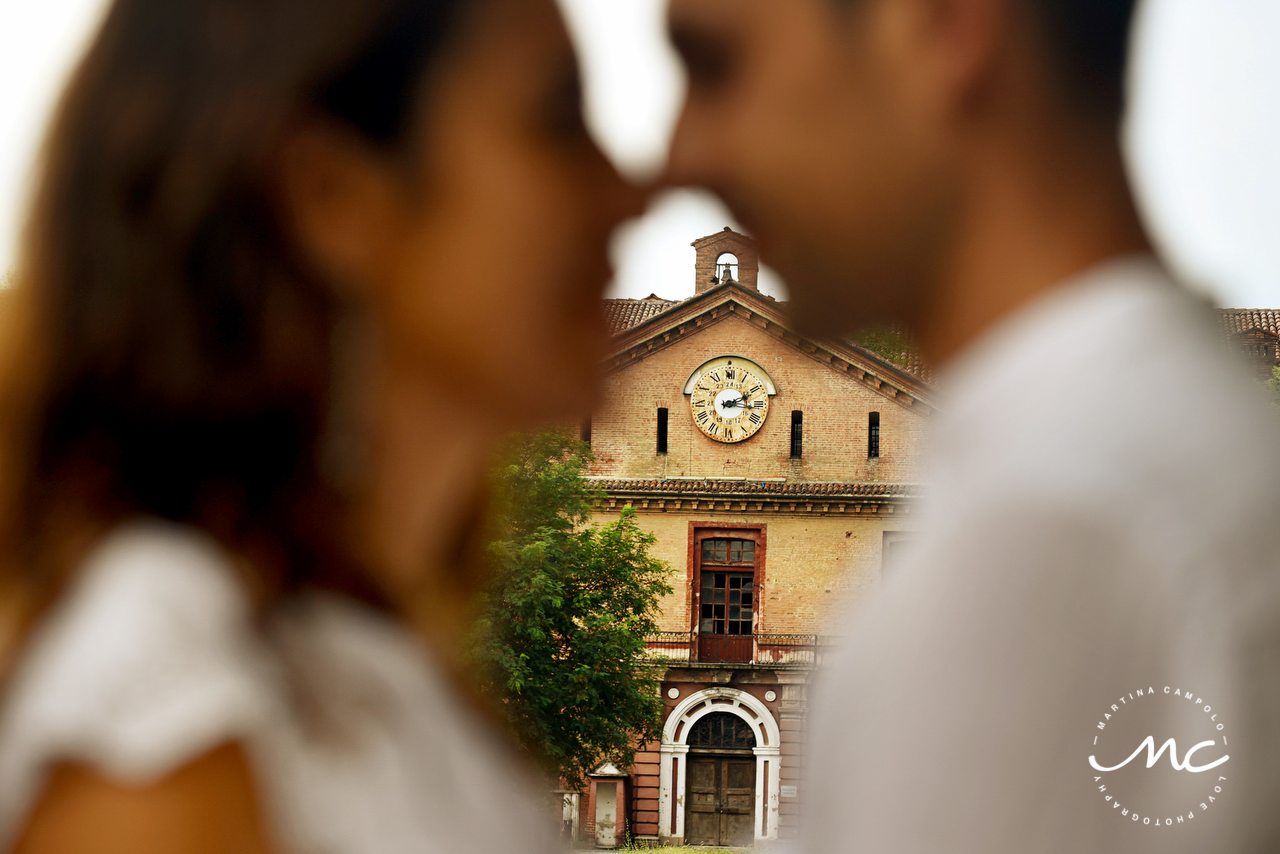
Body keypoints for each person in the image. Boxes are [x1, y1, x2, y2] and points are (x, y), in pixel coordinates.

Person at [0, 0, 640, 851]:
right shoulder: (164, 710)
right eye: (558, 120)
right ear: (334, 197)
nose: (629, 191)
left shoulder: (351, 668)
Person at [665, 0, 1280, 851]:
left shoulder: (1054, 523)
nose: (681, 152)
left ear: (944, 26)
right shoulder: (1143, 446)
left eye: (716, 65)